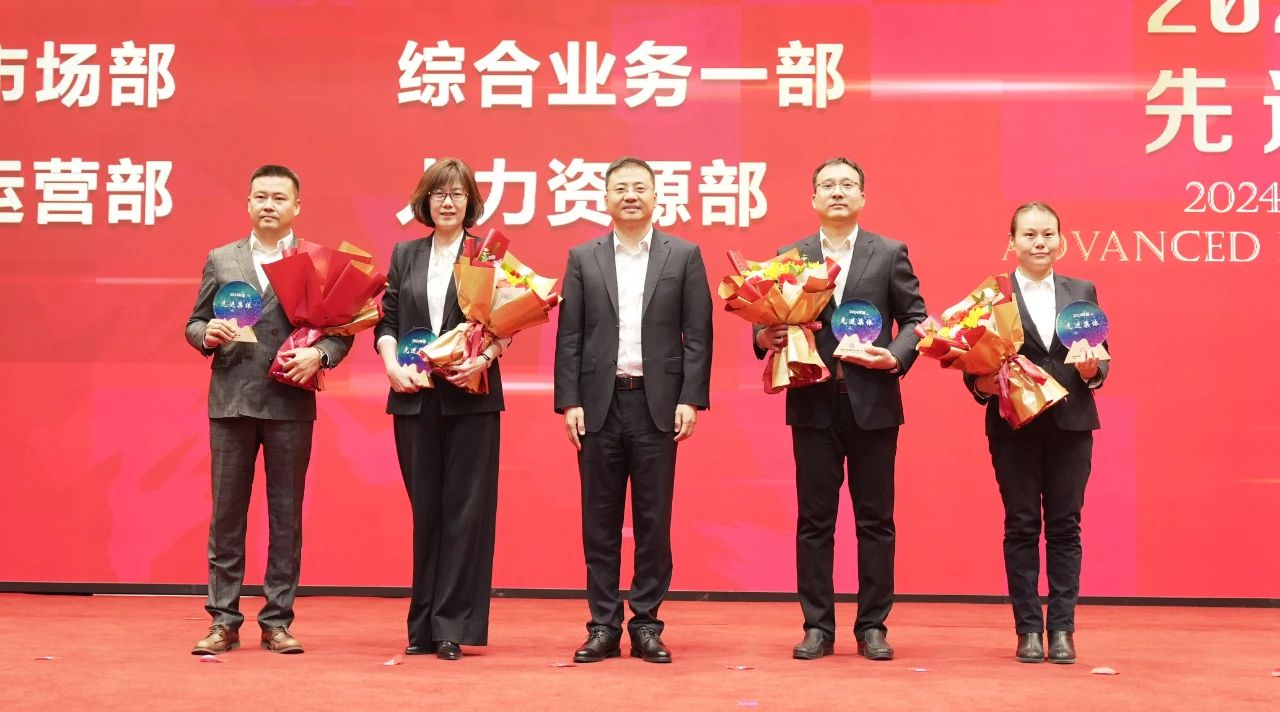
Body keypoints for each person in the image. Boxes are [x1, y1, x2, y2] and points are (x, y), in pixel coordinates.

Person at [755, 158, 926, 661]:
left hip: (873, 403)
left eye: (847, 184)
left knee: (876, 521)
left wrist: (894, 357)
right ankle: (817, 626)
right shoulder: (791, 256)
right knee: (814, 521)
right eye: (827, 185)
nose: (837, 192)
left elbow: (915, 318)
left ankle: (872, 626)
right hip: (812, 401)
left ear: (862, 197)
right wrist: (764, 336)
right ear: (813, 199)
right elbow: (766, 319)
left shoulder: (889, 252)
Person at [185, 164, 353, 655]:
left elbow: (343, 330)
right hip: (232, 401)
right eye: (260, 196)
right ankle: (223, 619)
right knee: (226, 516)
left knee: (286, 517)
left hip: (289, 401)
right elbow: (194, 323)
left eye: (279, 198)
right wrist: (206, 334)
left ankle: (277, 620)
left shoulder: (316, 262)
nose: (269, 205)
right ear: (248, 203)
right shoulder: (222, 258)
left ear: (297, 206)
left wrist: (320, 356)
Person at [553, 156, 713, 664]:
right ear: (605, 198)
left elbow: (698, 334)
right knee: (598, 523)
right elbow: (570, 336)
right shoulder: (583, 257)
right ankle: (602, 625)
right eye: (620, 188)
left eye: (640, 187)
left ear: (655, 196)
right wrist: (569, 401)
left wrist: (690, 397)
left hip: (656, 405)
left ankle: (646, 623)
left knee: (653, 521)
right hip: (598, 405)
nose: (630, 195)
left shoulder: (683, 255)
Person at [374, 158, 508, 661]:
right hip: (414, 394)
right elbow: (386, 320)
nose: (447, 202)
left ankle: (452, 625)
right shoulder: (405, 254)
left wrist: (484, 359)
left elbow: (507, 323)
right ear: (424, 202)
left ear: (470, 202)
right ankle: (422, 623)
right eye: (438, 194)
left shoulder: (486, 253)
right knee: (427, 510)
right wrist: (391, 366)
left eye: (457, 194)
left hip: (471, 397)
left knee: (466, 512)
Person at [967, 202, 1108, 664]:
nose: (1039, 243)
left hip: (1072, 424)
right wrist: (983, 385)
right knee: (1022, 525)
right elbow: (974, 363)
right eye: (1029, 235)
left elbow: (1100, 356)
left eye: (1048, 234)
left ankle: (1062, 629)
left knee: (1066, 526)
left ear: (1061, 241)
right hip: (1014, 426)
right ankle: (1028, 629)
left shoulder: (1081, 290)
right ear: (1012, 242)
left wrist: (1092, 369)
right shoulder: (994, 296)